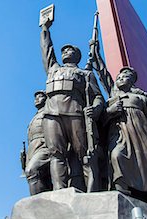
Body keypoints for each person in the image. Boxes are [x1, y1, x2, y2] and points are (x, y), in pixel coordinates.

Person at [40, 19, 104, 192]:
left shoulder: (85, 74)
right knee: (56, 154)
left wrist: (95, 109)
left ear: (77, 55)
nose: (65, 51)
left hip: (75, 114)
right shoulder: (53, 69)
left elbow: (98, 96)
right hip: (52, 115)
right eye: (64, 50)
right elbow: (47, 50)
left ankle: (92, 193)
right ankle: (60, 192)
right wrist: (45, 29)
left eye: (70, 49)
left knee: (85, 155)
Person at [106, 67, 147, 206]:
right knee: (116, 155)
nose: (120, 79)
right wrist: (110, 112)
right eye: (118, 78)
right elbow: (101, 121)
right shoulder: (112, 100)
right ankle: (121, 191)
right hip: (121, 136)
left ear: (131, 81)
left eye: (124, 77)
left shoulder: (141, 99)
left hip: (142, 137)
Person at [24, 90, 52, 195]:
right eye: (36, 97)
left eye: (40, 96)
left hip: (44, 146)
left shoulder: (49, 112)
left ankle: (35, 204)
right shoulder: (34, 117)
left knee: (31, 170)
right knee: (42, 179)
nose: (36, 99)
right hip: (33, 149)